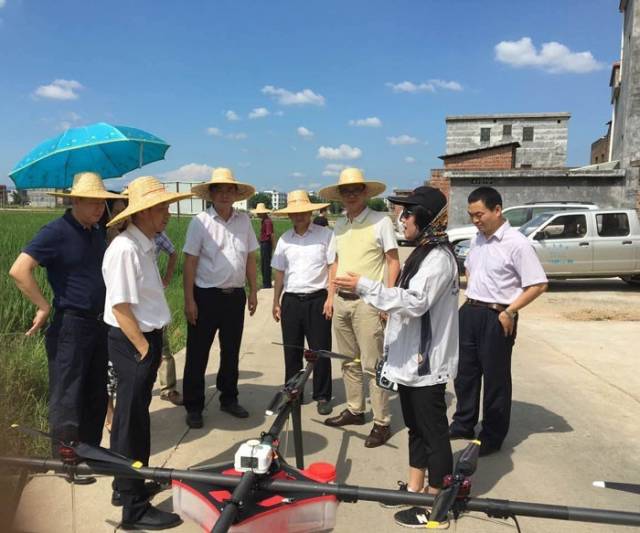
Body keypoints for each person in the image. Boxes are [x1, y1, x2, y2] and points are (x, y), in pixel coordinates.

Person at [335, 186, 459, 529]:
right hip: (410, 363)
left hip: (427, 364)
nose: (401, 220)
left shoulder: (439, 258)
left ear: (426, 218)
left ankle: (437, 504)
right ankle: (416, 488)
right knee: (416, 429)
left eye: (407, 214)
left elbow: (415, 302)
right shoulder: (423, 252)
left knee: (433, 433)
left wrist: (365, 286)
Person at [9, 172, 122, 471]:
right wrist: (43, 306)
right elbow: (19, 269)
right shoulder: (56, 231)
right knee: (68, 394)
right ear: (75, 201)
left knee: (96, 390)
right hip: (71, 325)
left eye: (102, 202)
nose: (99, 208)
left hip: (99, 324)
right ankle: (66, 459)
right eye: (92, 202)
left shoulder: (95, 232)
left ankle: (90, 452)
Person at [102, 175, 190, 530]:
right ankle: (133, 508)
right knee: (130, 423)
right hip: (133, 342)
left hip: (142, 339)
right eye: (161, 208)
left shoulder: (145, 244)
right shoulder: (125, 249)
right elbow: (120, 305)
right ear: (142, 212)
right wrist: (142, 347)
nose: (167, 213)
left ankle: (129, 485)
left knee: (135, 416)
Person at [450, 186, 548, 457]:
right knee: (465, 374)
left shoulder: (517, 243)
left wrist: (510, 311)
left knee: (496, 379)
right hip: (470, 311)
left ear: (497, 210)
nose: (475, 220)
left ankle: (492, 435)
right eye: (471, 215)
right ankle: (463, 423)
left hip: (497, 316)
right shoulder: (477, 239)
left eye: (479, 214)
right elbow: (470, 268)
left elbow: (538, 284)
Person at [318, 167, 400, 448]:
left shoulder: (380, 221)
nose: (351, 195)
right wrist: (330, 295)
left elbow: (392, 261)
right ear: (340, 195)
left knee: (373, 365)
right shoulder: (340, 224)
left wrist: (387, 299)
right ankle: (355, 409)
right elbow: (335, 262)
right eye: (346, 191)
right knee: (348, 360)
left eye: (356, 190)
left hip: (368, 302)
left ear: (365, 192)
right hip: (342, 301)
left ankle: (382, 421)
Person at [182, 168, 259, 428]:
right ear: (211, 194)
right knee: (197, 353)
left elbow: (250, 257)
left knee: (231, 351)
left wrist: (253, 290)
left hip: (234, 297)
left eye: (229, 190)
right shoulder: (200, 222)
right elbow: (190, 262)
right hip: (205, 296)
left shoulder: (244, 221)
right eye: (219, 190)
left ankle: (229, 398)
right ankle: (194, 405)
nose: (225, 194)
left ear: (236, 194)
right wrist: (189, 300)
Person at [271, 190, 336, 415]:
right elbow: (279, 272)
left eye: (303, 212)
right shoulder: (284, 239)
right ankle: (293, 393)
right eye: (294, 213)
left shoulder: (325, 235)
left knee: (320, 351)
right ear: (289, 215)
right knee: (292, 350)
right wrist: (276, 301)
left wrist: (331, 296)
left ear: (310, 212)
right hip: (291, 300)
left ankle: (322, 395)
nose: (299, 216)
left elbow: (332, 267)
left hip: (317, 299)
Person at [154, 230, 183, 406]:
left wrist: (167, 278)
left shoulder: (157, 233)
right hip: (128, 299)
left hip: (154, 295)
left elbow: (173, 252)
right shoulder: (121, 235)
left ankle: (168, 388)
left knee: (162, 343)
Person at [252, 202, 275, 289]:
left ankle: (267, 284)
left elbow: (271, 234)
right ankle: (265, 282)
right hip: (264, 243)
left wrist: (274, 247)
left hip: (266, 244)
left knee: (266, 264)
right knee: (264, 264)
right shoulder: (264, 221)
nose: (257, 214)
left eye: (259, 213)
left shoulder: (267, 221)